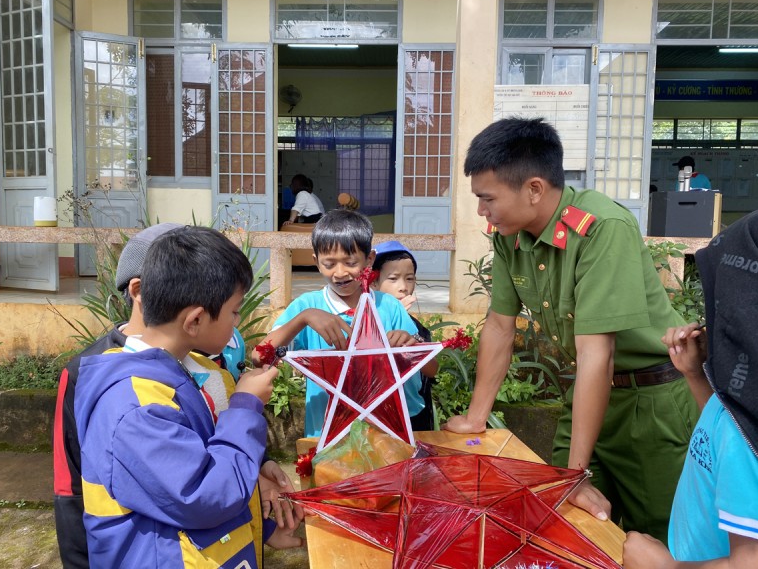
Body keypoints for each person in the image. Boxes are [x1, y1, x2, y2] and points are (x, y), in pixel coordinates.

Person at [443, 117, 699, 543]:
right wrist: (475, 417)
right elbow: (500, 325)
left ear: (535, 189)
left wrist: (578, 473)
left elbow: (599, 353)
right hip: (588, 394)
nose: (480, 211)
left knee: (659, 536)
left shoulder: (601, 228)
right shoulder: (510, 235)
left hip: (652, 403)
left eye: (488, 199)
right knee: (560, 521)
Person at [54, 224, 298, 569]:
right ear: (195, 319)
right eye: (234, 311)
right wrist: (245, 407)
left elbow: (218, 457)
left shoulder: (200, 369)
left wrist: (265, 523)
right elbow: (206, 494)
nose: (238, 321)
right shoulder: (133, 404)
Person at [623, 207, 758, 568]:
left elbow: (757, 562)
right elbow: (728, 435)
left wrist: (667, 567)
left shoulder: (753, 441)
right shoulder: (754, 404)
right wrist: (695, 374)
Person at [252, 209, 424, 437]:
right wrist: (304, 318)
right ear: (316, 262)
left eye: (351, 262)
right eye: (329, 263)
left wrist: (411, 343)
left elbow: (430, 368)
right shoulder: (307, 306)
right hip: (326, 434)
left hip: (383, 433)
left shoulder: (388, 306)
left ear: (370, 259)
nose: (340, 273)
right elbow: (259, 357)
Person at [372, 240, 438, 431]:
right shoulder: (364, 319)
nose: (403, 287)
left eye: (409, 279)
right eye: (393, 279)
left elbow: (432, 370)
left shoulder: (418, 328)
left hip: (413, 415)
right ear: (374, 281)